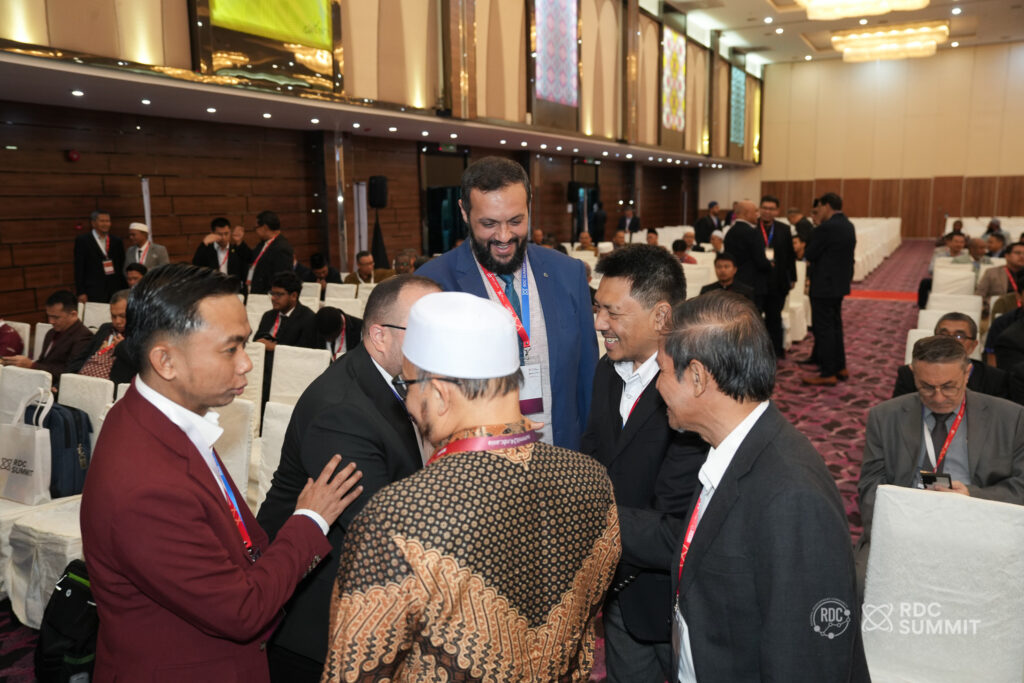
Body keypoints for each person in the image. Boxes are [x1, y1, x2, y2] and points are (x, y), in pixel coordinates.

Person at [79, 264, 364, 682]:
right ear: (166, 361)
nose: (247, 364)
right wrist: (310, 519)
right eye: (230, 349)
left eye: (244, 344)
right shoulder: (146, 488)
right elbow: (241, 611)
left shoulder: (154, 414)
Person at [322, 291, 620, 681]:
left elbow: (353, 671)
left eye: (408, 385)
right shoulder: (591, 480)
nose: (407, 403)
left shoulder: (398, 515)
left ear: (439, 394)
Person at [651, 291, 867, 682]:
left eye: (662, 370)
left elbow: (806, 659)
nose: (657, 385)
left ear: (697, 377)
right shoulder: (732, 450)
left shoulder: (791, 496)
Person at [257, 275, 440, 680]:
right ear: (379, 336)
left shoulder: (393, 379)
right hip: (320, 626)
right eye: (426, 330)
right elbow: (387, 535)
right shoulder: (341, 412)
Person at [584, 245, 707, 682]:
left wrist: (578, 512)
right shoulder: (607, 369)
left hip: (678, 600)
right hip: (619, 595)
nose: (599, 323)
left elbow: (680, 526)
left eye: (613, 313)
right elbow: (595, 458)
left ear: (661, 317)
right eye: (597, 308)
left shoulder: (693, 388)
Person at [417, 156, 598, 450]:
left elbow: (587, 376)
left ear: (529, 206)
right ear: (464, 212)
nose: (504, 237)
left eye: (516, 221)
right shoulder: (433, 285)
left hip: (563, 453)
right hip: (480, 461)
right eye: (489, 224)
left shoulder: (568, 272)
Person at [857, 335, 1024, 586]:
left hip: (979, 526)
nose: (937, 397)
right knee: (863, 584)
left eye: (949, 386)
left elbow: (1021, 487)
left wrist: (972, 495)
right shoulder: (885, 417)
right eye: (926, 387)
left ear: (967, 373)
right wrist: (897, 529)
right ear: (913, 374)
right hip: (905, 524)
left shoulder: (1011, 418)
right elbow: (870, 486)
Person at [802, 192, 856, 386]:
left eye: (819, 208)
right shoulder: (848, 225)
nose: (817, 212)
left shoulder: (826, 228)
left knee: (824, 329)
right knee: (835, 326)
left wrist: (816, 228)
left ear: (826, 206)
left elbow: (810, 253)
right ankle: (840, 366)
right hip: (839, 284)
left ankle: (828, 372)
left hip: (823, 285)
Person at [892, 312, 1008, 399]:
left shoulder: (994, 379)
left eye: (959, 336)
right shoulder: (909, 374)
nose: (950, 341)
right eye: (943, 335)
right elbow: (899, 414)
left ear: (973, 345)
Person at [2, 290, 94, 386]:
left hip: (58, 387)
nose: (51, 321)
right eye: (49, 316)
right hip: (41, 381)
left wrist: (31, 365)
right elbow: (43, 362)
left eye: (56, 317)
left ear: (73, 314)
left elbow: (70, 373)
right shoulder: (51, 332)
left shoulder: (84, 337)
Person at [253, 271, 318, 404]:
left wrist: (275, 348)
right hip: (262, 370)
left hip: (288, 375)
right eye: (272, 293)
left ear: (293, 296)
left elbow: (304, 353)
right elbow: (257, 341)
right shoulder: (268, 316)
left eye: (279, 294)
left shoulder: (308, 318)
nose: (273, 298)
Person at [755, 195, 796, 358]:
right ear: (759, 209)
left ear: (777, 211)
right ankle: (756, 354)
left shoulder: (784, 229)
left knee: (774, 319)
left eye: (771, 209)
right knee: (755, 319)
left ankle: (776, 352)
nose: (767, 211)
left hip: (777, 282)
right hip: (757, 282)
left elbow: (790, 256)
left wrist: (793, 277)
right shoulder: (753, 227)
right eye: (764, 208)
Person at [68, 289, 136, 383]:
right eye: (113, 316)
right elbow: (82, 357)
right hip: (81, 381)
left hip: (109, 386)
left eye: (123, 316)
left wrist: (122, 346)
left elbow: (138, 366)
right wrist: (61, 382)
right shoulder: (106, 329)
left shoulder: (142, 336)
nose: (117, 321)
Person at [722, 200, 771, 311]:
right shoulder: (753, 233)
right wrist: (770, 265)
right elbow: (760, 261)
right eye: (755, 211)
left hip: (735, 283)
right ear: (747, 213)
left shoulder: (730, 232)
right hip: (753, 285)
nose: (757, 215)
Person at [74, 210, 126, 303]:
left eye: (108, 221)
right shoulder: (83, 241)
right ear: (93, 223)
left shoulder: (117, 241)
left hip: (114, 290)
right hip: (93, 290)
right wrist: (81, 292)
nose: (105, 224)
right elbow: (79, 268)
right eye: (102, 221)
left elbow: (121, 266)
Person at [247, 210, 294, 295]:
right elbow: (251, 258)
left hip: (268, 295)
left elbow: (281, 278)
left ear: (265, 227)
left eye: (256, 227)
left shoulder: (282, 248)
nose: (255, 231)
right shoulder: (263, 243)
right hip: (256, 292)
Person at [976, 241, 1024, 320]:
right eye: (1017, 253)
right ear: (1007, 256)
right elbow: (979, 296)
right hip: (998, 311)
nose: (1022, 256)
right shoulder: (992, 272)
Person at [193, 217, 249, 282]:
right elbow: (196, 265)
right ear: (212, 233)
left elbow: (249, 259)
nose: (223, 237)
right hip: (213, 286)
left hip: (232, 286)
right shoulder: (207, 250)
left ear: (230, 232)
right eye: (220, 234)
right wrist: (204, 243)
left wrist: (239, 242)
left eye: (226, 233)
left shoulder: (236, 249)